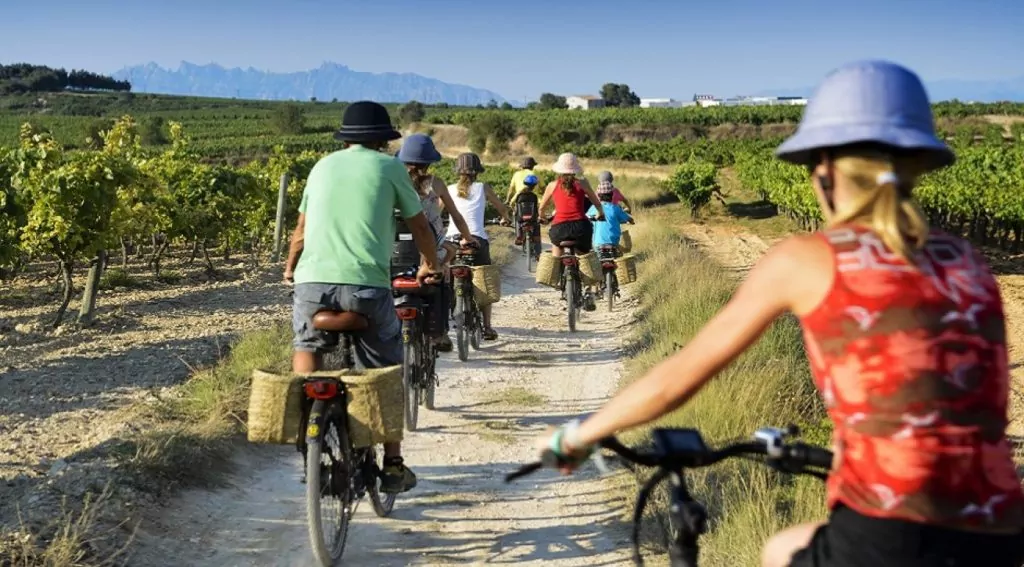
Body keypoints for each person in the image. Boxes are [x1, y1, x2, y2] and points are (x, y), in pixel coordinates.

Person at [534, 61, 1024, 567]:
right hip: (1003, 525)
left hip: (893, 530)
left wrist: (578, 436)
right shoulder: (968, 261)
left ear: (826, 170)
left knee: (779, 550)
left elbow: (679, 377)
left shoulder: (808, 258)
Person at [284, 101, 441, 495]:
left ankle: (307, 432)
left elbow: (300, 230)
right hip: (366, 287)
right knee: (385, 372)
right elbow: (419, 224)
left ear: (346, 138)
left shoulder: (321, 167)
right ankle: (393, 462)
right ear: (381, 139)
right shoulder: (389, 168)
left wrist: (290, 268)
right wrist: (429, 263)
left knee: (306, 345)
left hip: (312, 283)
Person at [396, 133, 478, 352]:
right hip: (429, 250)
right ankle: (438, 333)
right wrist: (468, 239)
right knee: (441, 272)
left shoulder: (394, 184)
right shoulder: (436, 184)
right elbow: (456, 217)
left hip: (394, 253)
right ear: (429, 162)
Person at [444, 152, 513, 341]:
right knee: (483, 278)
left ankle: (444, 320)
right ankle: (488, 327)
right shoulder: (483, 188)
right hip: (477, 241)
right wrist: (505, 218)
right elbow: (501, 208)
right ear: (478, 172)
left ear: (458, 172)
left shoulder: (449, 189)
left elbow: (436, 209)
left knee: (445, 276)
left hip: (454, 240)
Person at [538, 152, 604, 260]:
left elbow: (541, 208)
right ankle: (585, 274)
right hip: (580, 228)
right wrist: (600, 213)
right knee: (585, 259)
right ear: (575, 170)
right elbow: (596, 202)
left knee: (556, 260)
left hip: (559, 229)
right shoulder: (583, 183)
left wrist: (543, 218)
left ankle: (557, 268)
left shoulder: (552, 185)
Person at [587, 182, 635, 251]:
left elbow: (586, 218)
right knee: (622, 254)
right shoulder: (615, 208)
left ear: (598, 195)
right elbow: (628, 218)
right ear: (612, 195)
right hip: (613, 244)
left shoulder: (593, 208)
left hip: (596, 245)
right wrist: (631, 220)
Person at [513, 174, 542, 259]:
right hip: (532, 219)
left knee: (517, 219)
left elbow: (514, 204)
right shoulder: (534, 196)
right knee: (537, 229)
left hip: (521, 219)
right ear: (534, 186)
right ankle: (538, 253)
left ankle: (519, 235)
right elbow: (537, 207)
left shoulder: (519, 195)